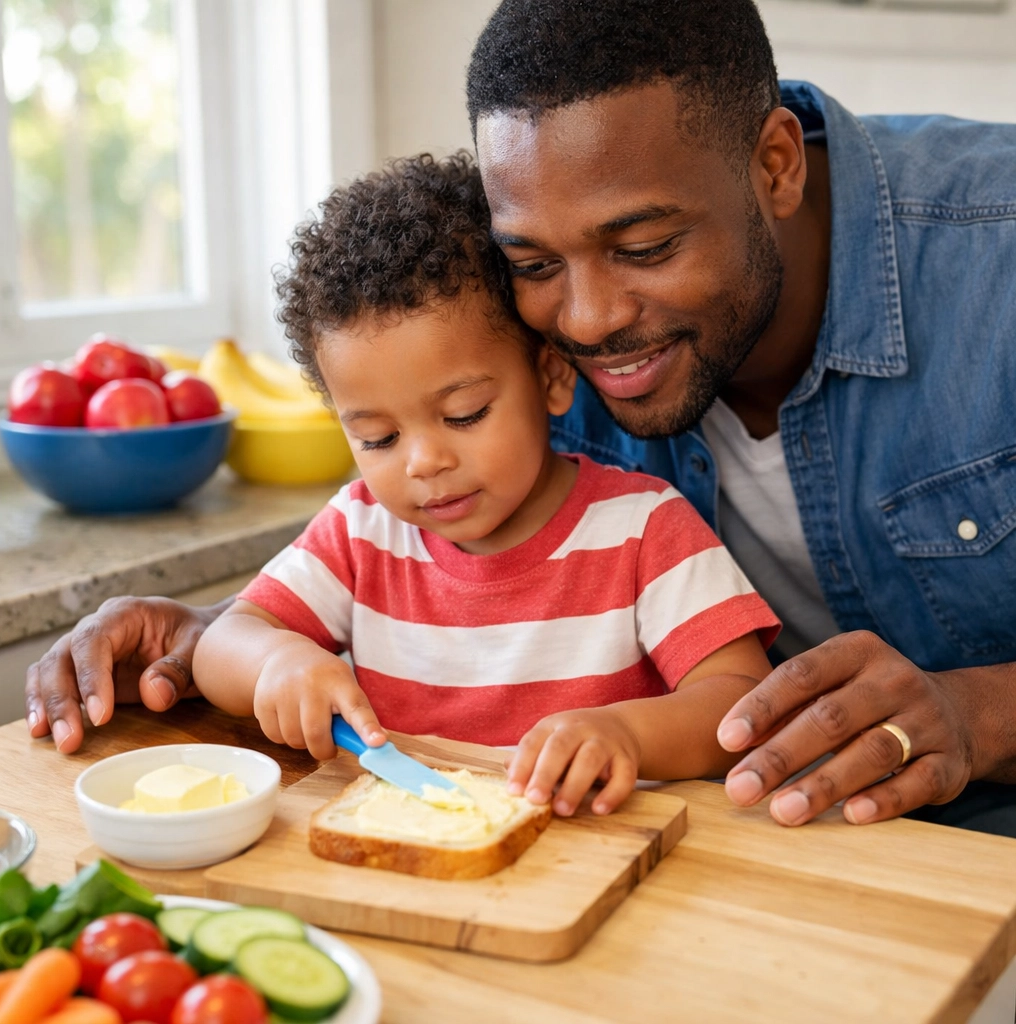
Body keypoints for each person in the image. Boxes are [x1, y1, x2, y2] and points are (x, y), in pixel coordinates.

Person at [27, 0, 1016, 835]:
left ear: (772, 168)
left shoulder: (995, 257)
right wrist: (206, 643)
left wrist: (974, 711)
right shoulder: (505, 327)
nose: (585, 323)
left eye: (644, 244)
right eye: (536, 263)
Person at [187, 153, 778, 815]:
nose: (422, 462)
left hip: (610, 860)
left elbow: (738, 700)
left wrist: (626, 733)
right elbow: (222, 642)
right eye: (378, 437)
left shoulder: (646, 529)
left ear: (551, 378)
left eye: (464, 414)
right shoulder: (361, 532)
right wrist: (275, 662)